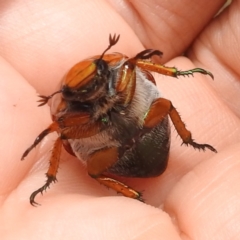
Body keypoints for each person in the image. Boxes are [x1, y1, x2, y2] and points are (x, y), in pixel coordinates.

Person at [0, 0, 239, 239]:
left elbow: (133, 66)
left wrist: (173, 72)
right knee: (76, 149)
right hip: (112, 151)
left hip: (148, 125)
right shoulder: (70, 114)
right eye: (85, 90)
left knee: (161, 103)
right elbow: (62, 136)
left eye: (95, 81)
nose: (93, 90)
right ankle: (132, 195)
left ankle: (188, 141)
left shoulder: (122, 70)